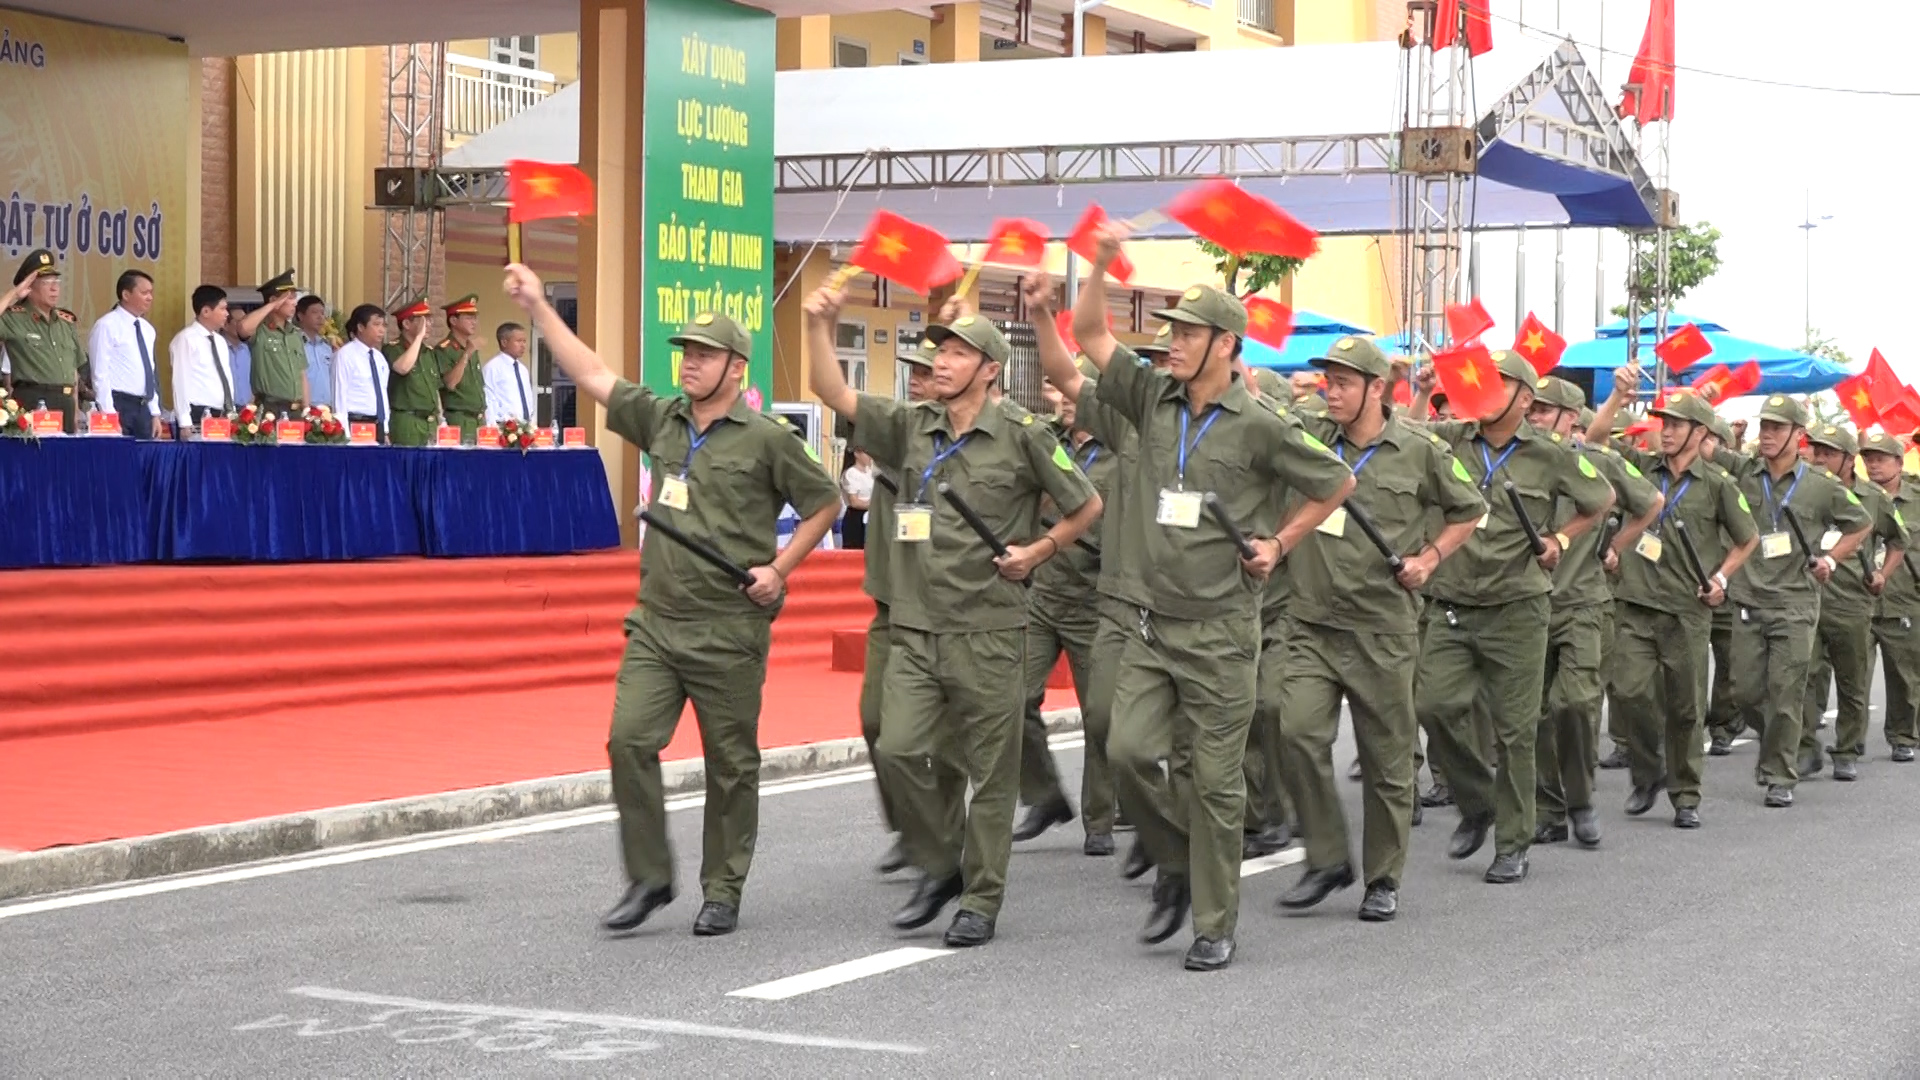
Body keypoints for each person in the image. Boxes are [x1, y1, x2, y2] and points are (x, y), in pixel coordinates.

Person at [505, 262, 842, 938]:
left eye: (704, 354)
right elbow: (593, 375)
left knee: (731, 764)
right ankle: (650, 875)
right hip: (657, 623)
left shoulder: (769, 438)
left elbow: (826, 502)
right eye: (685, 352)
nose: (689, 363)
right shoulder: (661, 419)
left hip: (729, 627)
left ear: (736, 368)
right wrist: (542, 307)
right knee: (628, 740)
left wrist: (780, 569)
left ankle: (723, 887)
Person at [1051, 221, 1354, 972]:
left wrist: (1279, 544)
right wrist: (1096, 261)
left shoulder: (1261, 425)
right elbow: (1087, 330)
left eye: (1187, 334)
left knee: (1216, 783)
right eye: (1170, 332)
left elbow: (1336, 484)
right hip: (1150, 624)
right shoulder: (1150, 396)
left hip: (1221, 631)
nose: (1172, 344)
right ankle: (1174, 858)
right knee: (1124, 750)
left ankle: (1213, 921)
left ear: (1225, 344)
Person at [806, 282, 1100, 950]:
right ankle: (940, 861)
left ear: (990, 370)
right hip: (914, 626)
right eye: (936, 351)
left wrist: (1039, 550)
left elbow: (1085, 505)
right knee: (900, 748)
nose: (939, 361)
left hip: (990, 628)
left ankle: (980, 898)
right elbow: (835, 393)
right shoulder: (912, 426)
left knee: (991, 775)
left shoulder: (1024, 437)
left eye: (956, 353)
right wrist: (820, 327)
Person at [1274, 336, 1484, 923]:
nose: (1329, 391)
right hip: (1311, 620)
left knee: (1388, 759)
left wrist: (1429, 560)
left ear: (1376, 389)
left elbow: (1469, 511)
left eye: (1343, 382)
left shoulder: (1419, 449)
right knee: (1293, 732)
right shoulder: (1310, 435)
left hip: (1382, 628)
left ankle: (1383, 877)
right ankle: (1326, 856)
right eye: (1326, 381)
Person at [1409, 350, 1614, 883]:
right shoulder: (1453, 437)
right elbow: (1401, 441)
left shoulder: (1550, 454)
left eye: (1495, 382)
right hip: (1452, 600)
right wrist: (1419, 387)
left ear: (1525, 398)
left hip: (1518, 607)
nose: (1480, 387)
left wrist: (1560, 539)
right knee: (1432, 705)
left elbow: (1602, 498)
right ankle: (1478, 801)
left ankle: (1512, 842)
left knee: (1515, 731)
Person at [1586, 378, 1758, 825]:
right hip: (1636, 602)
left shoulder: (1718, 484)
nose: (1665, 430)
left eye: (1677, 424)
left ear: (1701, 432)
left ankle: (1685, 795)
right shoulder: (1640, 466)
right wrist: (1617, 399)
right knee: (1626, 691)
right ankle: (1648, 769)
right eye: (1663, 421)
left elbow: (1748, 539)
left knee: (1685, 708)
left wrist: (1720, 578)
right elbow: (1596, 441)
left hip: (1686, 610)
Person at [1525, 377, 1661, 847]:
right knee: (1536, 713)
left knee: (1575, 703)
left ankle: (1580, 799)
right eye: (1532, 409)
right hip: (1528, 604)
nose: (1534, 417)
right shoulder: (1516, 461)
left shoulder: (1600, 461)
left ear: (1569, 418)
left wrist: (1615, 545)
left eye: (1544, 410)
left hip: (1583, 602)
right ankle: (1548, 808)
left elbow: (1650, 503)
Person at [1719, 395, 1870, 807]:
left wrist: (1831, 560)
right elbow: (1705, 449)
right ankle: (1783, 748)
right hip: (1749, 599)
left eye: (1777, 428)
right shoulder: (1744, 473)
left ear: (1797, 435)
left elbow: (1861, 524)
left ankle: (1779, 774)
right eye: (1764, 426)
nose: (1767, 434)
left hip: (1796, 605)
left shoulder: (1822, 486)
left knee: (1786, 692)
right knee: (1746, 693)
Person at [1017, 275, 1120, 855]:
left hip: (1098, 598)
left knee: (1099, 715)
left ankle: (1101, 819)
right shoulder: (1043, 442)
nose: (1063, 397)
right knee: (1014, 699)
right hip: (1043, 590)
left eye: (1076, 390)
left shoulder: (1124, 449)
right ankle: (1043, 794)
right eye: (1061, 391)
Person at [856, 338, 956, 876]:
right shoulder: (900, 434)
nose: (917, 379)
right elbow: (839, 398)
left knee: (943, 735)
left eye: (926, 371)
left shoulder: (967, 442)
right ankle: (909, 825)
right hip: (893, 606)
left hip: (952, 613)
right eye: (912, 371)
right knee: (875, 719)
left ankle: (942, 832)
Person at [1800, 424, 1907, 782]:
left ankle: (1846, 749)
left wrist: (1882, 575)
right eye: (1816, 452)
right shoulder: (1805, 491)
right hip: (1806, 601)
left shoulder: (1874, 498)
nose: (1819, 459)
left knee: (1852, 682)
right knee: (1801, 678)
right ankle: (1803, 747)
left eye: (1828, 453)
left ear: (1847, 460)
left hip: (1851, 604)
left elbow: (1898, 541)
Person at [1861, 432, 1920, 763]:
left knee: (1905, 675)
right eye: (1868, 458)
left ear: (1900, 462)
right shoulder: (1853, 497)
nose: (1873, 464)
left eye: (1881, 458)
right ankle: (1849, 741)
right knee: (1854, 676)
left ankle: (1902, 736)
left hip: (1905, 599)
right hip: (1859, 599)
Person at [0, 250, 88, 433]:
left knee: (66, 459)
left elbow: (72, 372)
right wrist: (15, 293)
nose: (55, 288)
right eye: (47, 283)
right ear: (29, 287)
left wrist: (76, 410)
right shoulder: (15, 317)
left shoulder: (66, 322)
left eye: (57, 281)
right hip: (32, 400)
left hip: (66, 402)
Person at [333, 304, 428, 443]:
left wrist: (385, 430)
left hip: (378, 425)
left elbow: (382, 395)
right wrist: (344, 434)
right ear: (360, 327)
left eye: (384, 325)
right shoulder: (345, 355)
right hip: (355, 423)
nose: (381, 330)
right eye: (376, 324)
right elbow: (339, 397)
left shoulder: (379, 358)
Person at [87, 269, 161, 438]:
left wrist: (155, 413)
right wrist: (108, 413)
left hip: (143, 407)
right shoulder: (106, 325)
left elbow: (150, 374)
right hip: (118, 404)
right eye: (144, 293)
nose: (150, 298)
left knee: (145, 461)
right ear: (126, 295)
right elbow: (100, 373)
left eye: (151, 293)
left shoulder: (148, 330)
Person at [169, 286, 240, 431]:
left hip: (221, 415)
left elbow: (226, 377)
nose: (227, 314)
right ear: (206, 311)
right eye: (222, 309)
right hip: (197, 414)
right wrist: (184, 421)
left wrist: (231, 413)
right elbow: (180, 381)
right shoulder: (186, 339)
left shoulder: (220, 341)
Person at [243, 270, 307, 414]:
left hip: (296, 410)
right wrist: (272, 306)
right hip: (270, 408)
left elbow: (302, 374)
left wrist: (307, 408)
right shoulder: (261, 330)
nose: (295, 303)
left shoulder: (294, 333)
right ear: (273, 300)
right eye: (289, 298)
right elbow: (243, 328)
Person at [385, 297, 442, 447]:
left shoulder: (428, 352)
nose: (428, 325)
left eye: (430, 321)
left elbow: (435, 388)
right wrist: (418, 337)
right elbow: (403, 368)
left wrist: (441, 419)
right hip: (407, 421)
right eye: (424, 321)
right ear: (406, 323)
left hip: (430, 422)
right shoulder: (393, 348)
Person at [435, 294, 487, 443]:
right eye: (468, 318)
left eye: (475, 317)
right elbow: (450, 383)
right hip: (459, 418)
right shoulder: (445, 348)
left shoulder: (471, 347)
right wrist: (467, 354)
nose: (474, 322)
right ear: (453, 320)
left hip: (478, 419)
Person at [483, 322, 537, 426]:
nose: (523, 345)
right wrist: (492, 427)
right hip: (504, 427)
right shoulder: (493, 367)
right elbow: (488, 400)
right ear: (504, 342)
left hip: (524, 427)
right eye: (518, 341)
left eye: (524, 341)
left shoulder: (522, 369)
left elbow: (528, 399)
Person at [296, 294, 335, 412]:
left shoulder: (326, 347)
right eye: (314, 312)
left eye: (322, 313)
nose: (320, 317)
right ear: (301, 316)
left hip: (327, 408)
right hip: (304, 407)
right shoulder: (295, 343)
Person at [841, 447, 875, 550]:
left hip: (870, 516)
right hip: (856, 517)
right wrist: (872, 504)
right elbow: (854, 502)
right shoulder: (851, 473)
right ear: (857, 454)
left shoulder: (871, 472)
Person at [223, 306, 254, 411]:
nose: (243, 326)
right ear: (225, 325)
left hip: (246, 407)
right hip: (225, 407)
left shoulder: (246, 349)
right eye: (239, 322)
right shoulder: (219, 348)